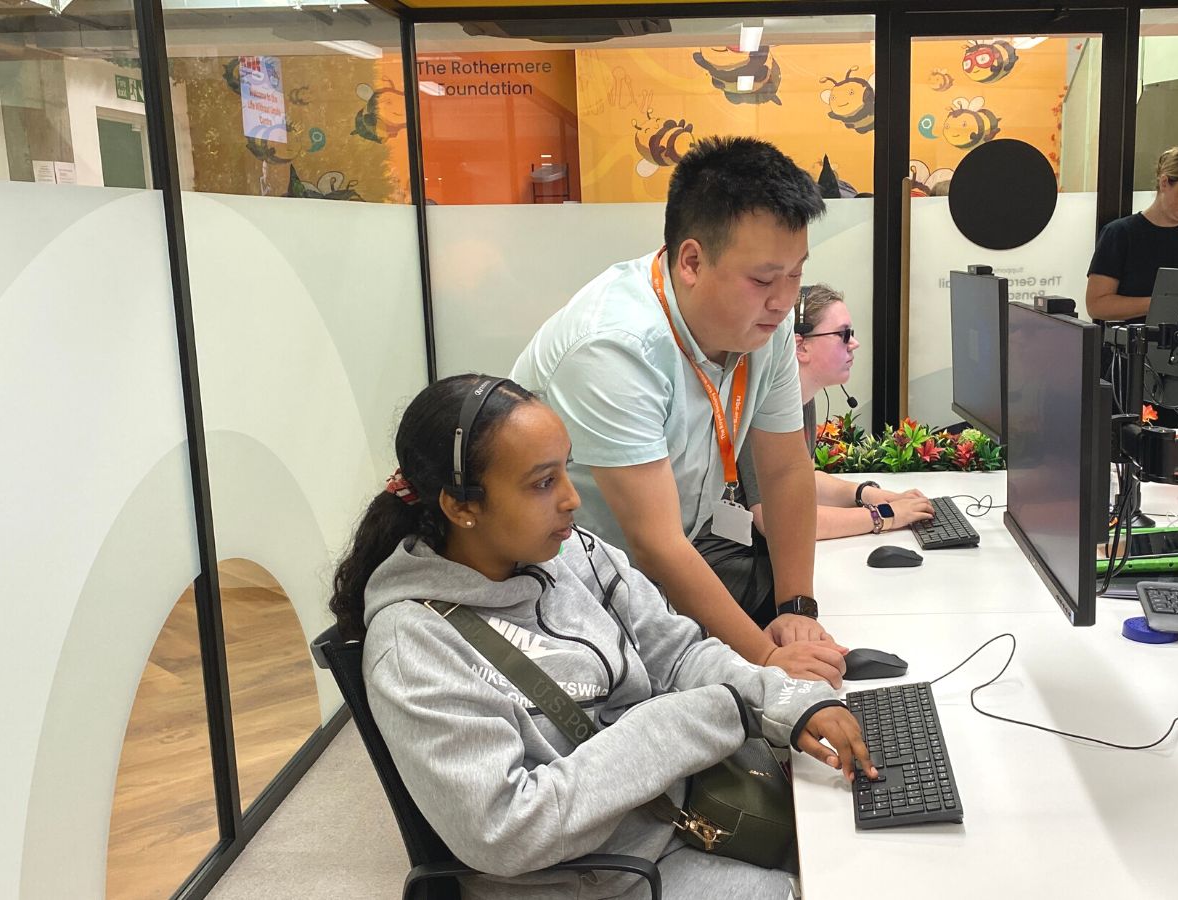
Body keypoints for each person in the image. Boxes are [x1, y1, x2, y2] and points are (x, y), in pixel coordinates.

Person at [330, 374, 876, 900]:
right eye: (543, 483)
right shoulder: (414, 646)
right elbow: (505, 830)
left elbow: (679, 654)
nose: (572, 499)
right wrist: (701, 717)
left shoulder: (575, 552)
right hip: (602, 880)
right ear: (462, 506)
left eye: (565, 471)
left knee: (860, 848)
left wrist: (788, 699)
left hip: (685, 815)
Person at [512, 136, 848, 687]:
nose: (785, 300)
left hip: (672, 555)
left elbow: (786, 468)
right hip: (567, 585)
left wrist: (797, 610)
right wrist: (765, 659)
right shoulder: (614, 346)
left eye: (796, 273)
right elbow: (655, 543)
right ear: (691, 261)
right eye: (764, 279)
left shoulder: (766, 324)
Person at [738, 284, 935, 540]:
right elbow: (777, 519)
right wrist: (884, 515)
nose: (854, 343)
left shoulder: (802, 399)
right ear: (801, 347)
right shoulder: (765, 404)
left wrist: (868, 495)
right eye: (843, 334)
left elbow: (802, 481)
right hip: (733, 556)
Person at [1085, 145, 1178, 324]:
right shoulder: (1120, 234)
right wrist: (1162, 303)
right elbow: (1096, 305)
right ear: (1164, 183)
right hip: (1132, 340)